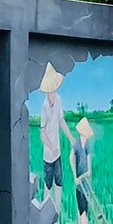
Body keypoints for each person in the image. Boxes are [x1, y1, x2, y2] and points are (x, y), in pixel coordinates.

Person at [38, 63, 75, 213]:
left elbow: (61, 121)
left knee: (59, 183)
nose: (53, 93)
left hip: (57, 153)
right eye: (51, 90)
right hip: (48, 155)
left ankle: (58, 213)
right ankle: (46, 215)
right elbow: (42, 134)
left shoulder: (59, 100)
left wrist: (71, 137)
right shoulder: (44, 107)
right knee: (48, 185)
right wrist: (51, 147)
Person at [71, 117, 95, 224]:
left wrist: (89, 171)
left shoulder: (87, 146)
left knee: (85, 214)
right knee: (83, 216)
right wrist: (75, 176)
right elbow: (71, 158)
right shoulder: (77, 145)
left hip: (86, 184)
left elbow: (89, 158)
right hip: (80, 185)